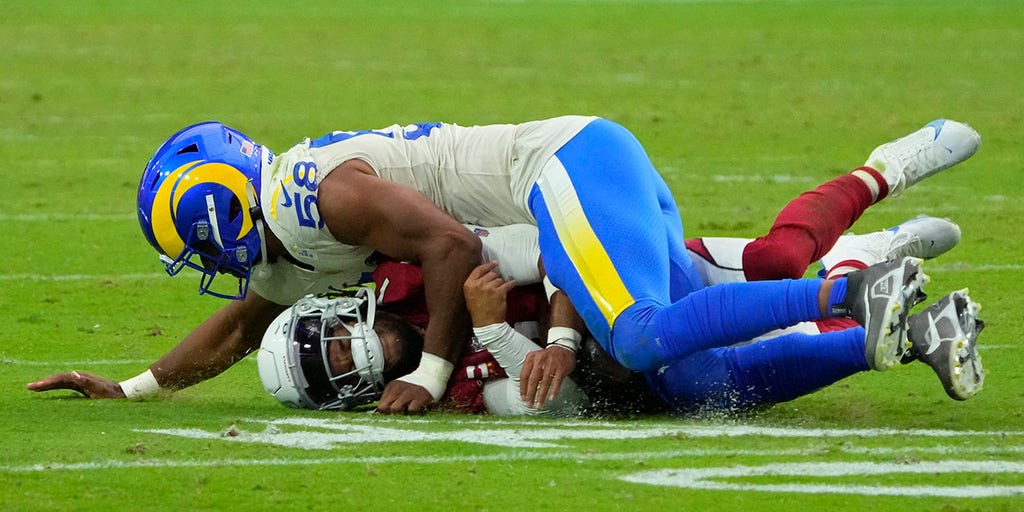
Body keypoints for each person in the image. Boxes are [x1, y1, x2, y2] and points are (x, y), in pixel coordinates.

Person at [27, 116, 982, 415]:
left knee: (646, 335)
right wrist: (135, 389)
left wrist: (452, 357)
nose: (348, 357)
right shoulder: (292, 240)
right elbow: (242, 324)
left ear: (227, 215)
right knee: (687, 381)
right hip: (565, 211)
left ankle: (854, 283)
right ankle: (890, 328)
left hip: (563, 177)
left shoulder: (317, 198)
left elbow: (457, 248)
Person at [256, 214, 985, 416]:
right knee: (694, 385)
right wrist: (491, 332)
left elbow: (557, 250)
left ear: (342, 308)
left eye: (336, 342)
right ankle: (906, 323)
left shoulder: (425, 274)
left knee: (774, 261)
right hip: (637, 337)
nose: (358, 354)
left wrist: (558, 333)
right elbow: (557, 403)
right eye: (338, 371)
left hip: (625, 263)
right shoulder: (448, 399)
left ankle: (864, 242)